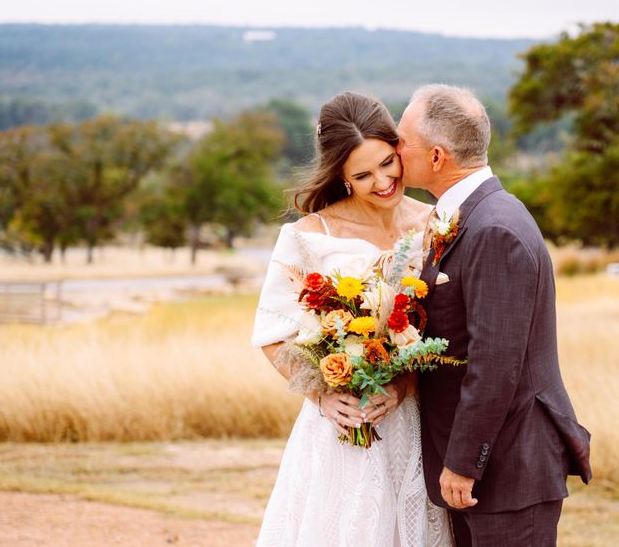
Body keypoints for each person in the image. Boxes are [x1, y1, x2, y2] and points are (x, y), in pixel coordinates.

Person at [250, 91, 453, 547]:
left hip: (417, 419)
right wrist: (322, 395)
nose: (383, 181)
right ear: (340, 175)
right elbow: (271, 333)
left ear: (399, 148)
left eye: (387, 163)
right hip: (342, 422)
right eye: (362, 175)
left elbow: (448, 327)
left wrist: (404, 385)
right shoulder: (308, 236)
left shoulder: (435, 225)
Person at [396, 84, 593, 547]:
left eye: (402, 141)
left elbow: (496, 364)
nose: (394, 149)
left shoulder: (494, 229)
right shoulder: (469, 216)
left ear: (438, 156)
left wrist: (464, 462)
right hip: (491, 469)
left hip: (507, 467)